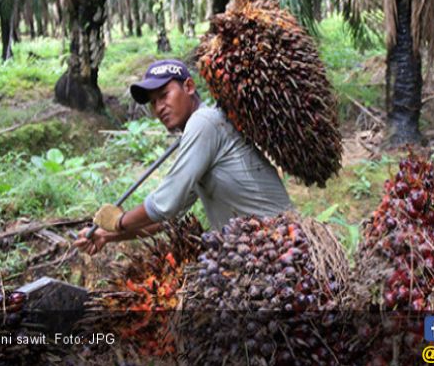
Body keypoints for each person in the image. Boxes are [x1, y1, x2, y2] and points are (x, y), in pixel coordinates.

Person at [75, 59, 292, 255]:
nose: (159, 107)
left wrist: (120, 221)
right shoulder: (205, 128)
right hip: (260, 246)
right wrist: (106, 236)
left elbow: (165, 204)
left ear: (189, 87)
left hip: (280, 244)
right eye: (153, 102)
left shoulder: (204, 122)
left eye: (164, 95)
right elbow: (167, 218)